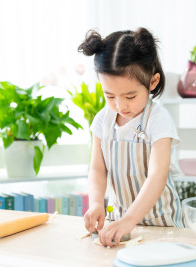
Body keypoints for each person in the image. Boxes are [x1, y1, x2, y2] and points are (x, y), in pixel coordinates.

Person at [78, 27, 183, 248]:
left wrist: (130, 220)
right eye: (110, 96)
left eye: (130, 96)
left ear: (152, 83)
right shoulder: (102, 121)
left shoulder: (158, 119)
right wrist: (96, 202)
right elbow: (97, 169)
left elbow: (157, 176)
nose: (120, 105)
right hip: (119, 225)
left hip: (161, 224)